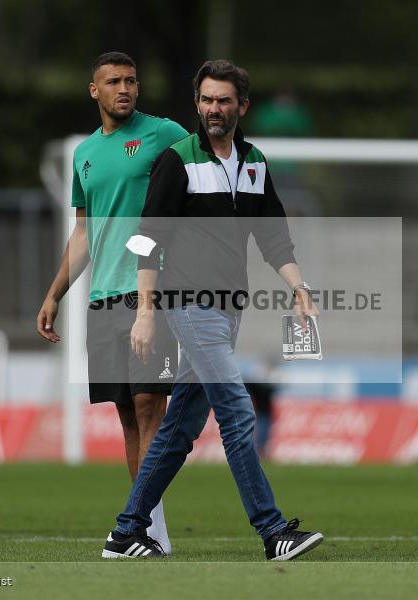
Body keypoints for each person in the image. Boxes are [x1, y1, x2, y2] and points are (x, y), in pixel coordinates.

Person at [103, 59, 323, 561]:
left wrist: (298, 286)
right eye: (206, 100)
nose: (213, 109)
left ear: (241, 106)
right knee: (239, 414)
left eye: (223, 100)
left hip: (228, 312)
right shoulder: (177, 160)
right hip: (189, 306)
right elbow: (147, 241)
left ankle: (126, 533)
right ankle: (272, 533)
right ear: (196, 103)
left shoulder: (254, 163)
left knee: (178, 431)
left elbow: (274, 235)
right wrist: (144, 311)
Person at [36, 51, 187, 554]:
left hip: (153, 291)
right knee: (127, 413)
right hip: (102, 298)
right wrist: (55, 293)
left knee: (151, 408)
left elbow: (200, 184)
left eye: (131, 80)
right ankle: (146, 525)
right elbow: (83, 232)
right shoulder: (83, 154)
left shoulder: (165, 133)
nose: (125, 88)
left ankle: (147, 528)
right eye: (114, 81)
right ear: (94, 90)